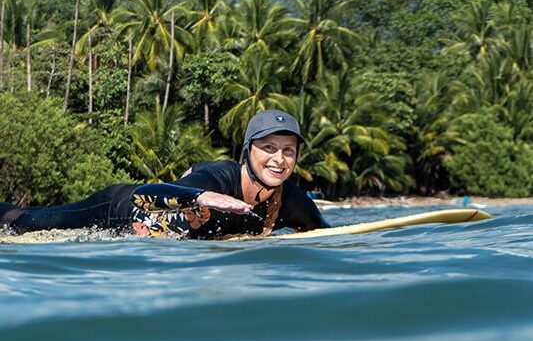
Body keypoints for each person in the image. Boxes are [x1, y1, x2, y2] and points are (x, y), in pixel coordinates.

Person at [0, 110, 328, 239]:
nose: (279, 160)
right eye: (269, 148)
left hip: (145, 241)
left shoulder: (291, 201)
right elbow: (150, 193)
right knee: (31, 221)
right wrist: (202, 197)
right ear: (247, 151)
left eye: (288, 151)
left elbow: (330, 237)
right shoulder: (218, 177)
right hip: (120, 207)